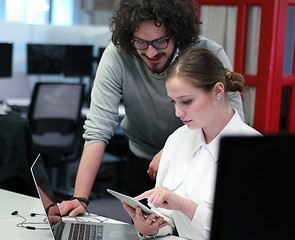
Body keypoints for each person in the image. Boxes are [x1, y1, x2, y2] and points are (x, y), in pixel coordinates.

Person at [59, 0, 245, 217]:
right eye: (140, 42)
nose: (150, 52)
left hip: (195, 160)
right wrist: (80, 198)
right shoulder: (117, 55)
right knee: (145, 229)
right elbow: (98, 128)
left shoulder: (207, 54)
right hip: (141, 158)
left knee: (195, 225)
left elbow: (232, 120)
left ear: (177, 33)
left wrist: (171, 150)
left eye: (159, 42)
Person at [122, 47, 261, 239]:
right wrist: (150, 227)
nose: (178, 113)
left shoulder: (255, 152)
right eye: (174, 102)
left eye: (186, 101)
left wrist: (183, 205)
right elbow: (168, 219)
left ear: (218, 91)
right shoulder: (177, 139)